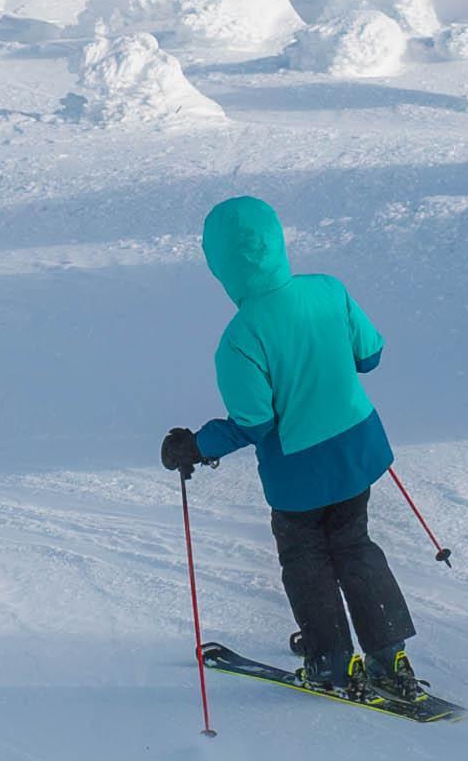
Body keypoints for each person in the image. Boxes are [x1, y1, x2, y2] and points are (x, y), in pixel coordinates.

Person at [159, 195, 424, 704]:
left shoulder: (240, 338)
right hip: (356, 454)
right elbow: (370, 355)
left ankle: (331, 658)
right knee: (355, 545)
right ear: (278, 242)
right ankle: (389, 652)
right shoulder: (328, 289)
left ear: (220, 266)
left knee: (306, 558)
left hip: (300, 474)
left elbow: (255, 423)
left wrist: (195, 446)